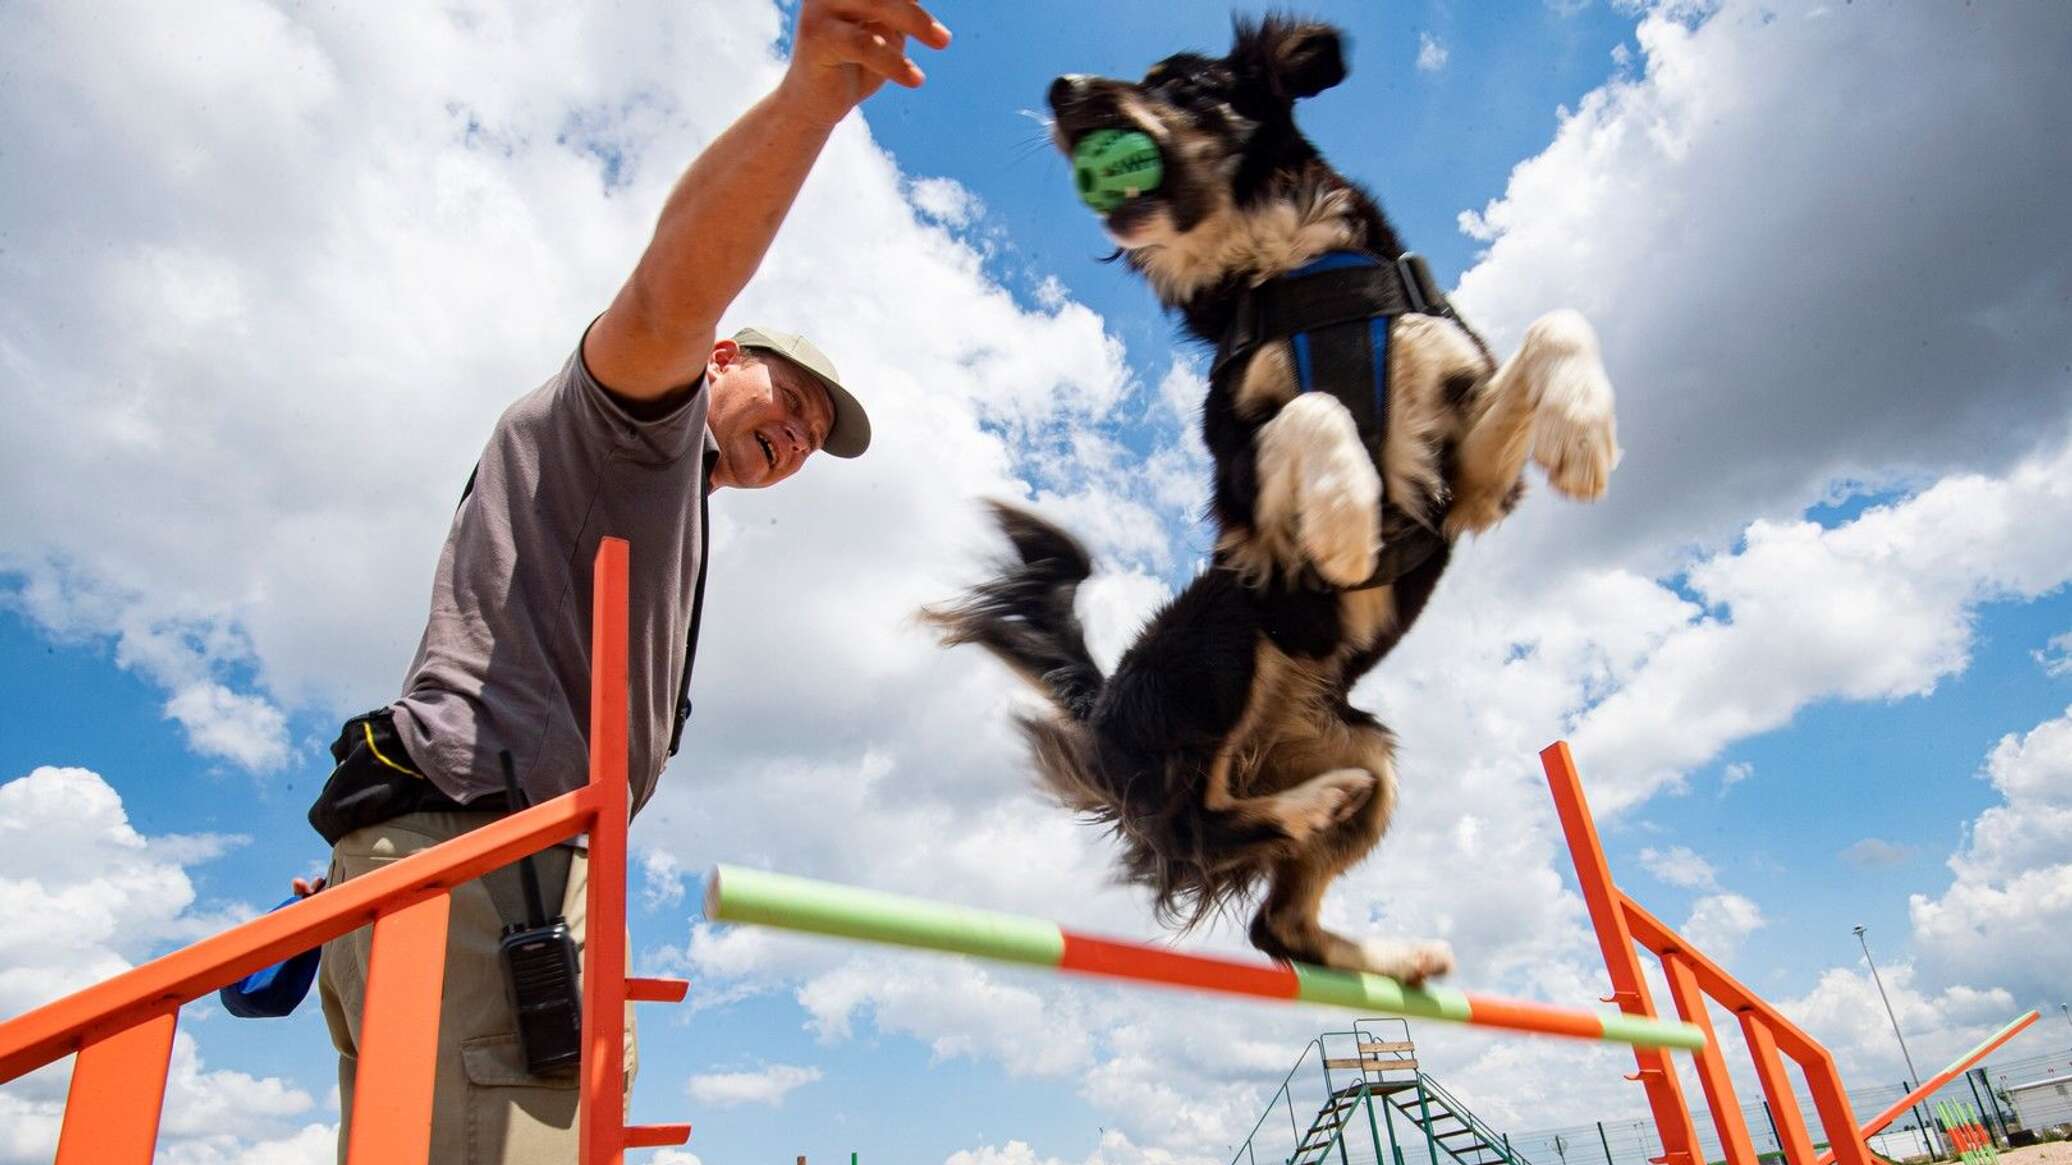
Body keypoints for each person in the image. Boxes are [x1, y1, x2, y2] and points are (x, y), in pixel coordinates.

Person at [300, 2, 952, 1160]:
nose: (798, 435)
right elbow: (662, 301)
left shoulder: (655, 495)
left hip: (489, 859)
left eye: (815, 434)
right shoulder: (633, 432)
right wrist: (810, 99)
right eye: (787, 399)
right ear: (718, 362)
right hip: (488, 863)